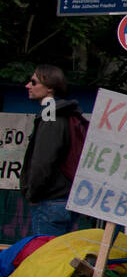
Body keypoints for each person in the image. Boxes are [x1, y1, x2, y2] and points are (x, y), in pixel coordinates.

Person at [19, 65, 83, 237]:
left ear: (50, 87)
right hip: (64, 198)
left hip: (50, 201)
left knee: (46, 258)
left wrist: (32, 193)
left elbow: (43, 159)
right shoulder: (64, 113)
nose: (28, 86)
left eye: (34, 82)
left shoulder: (50, 113)